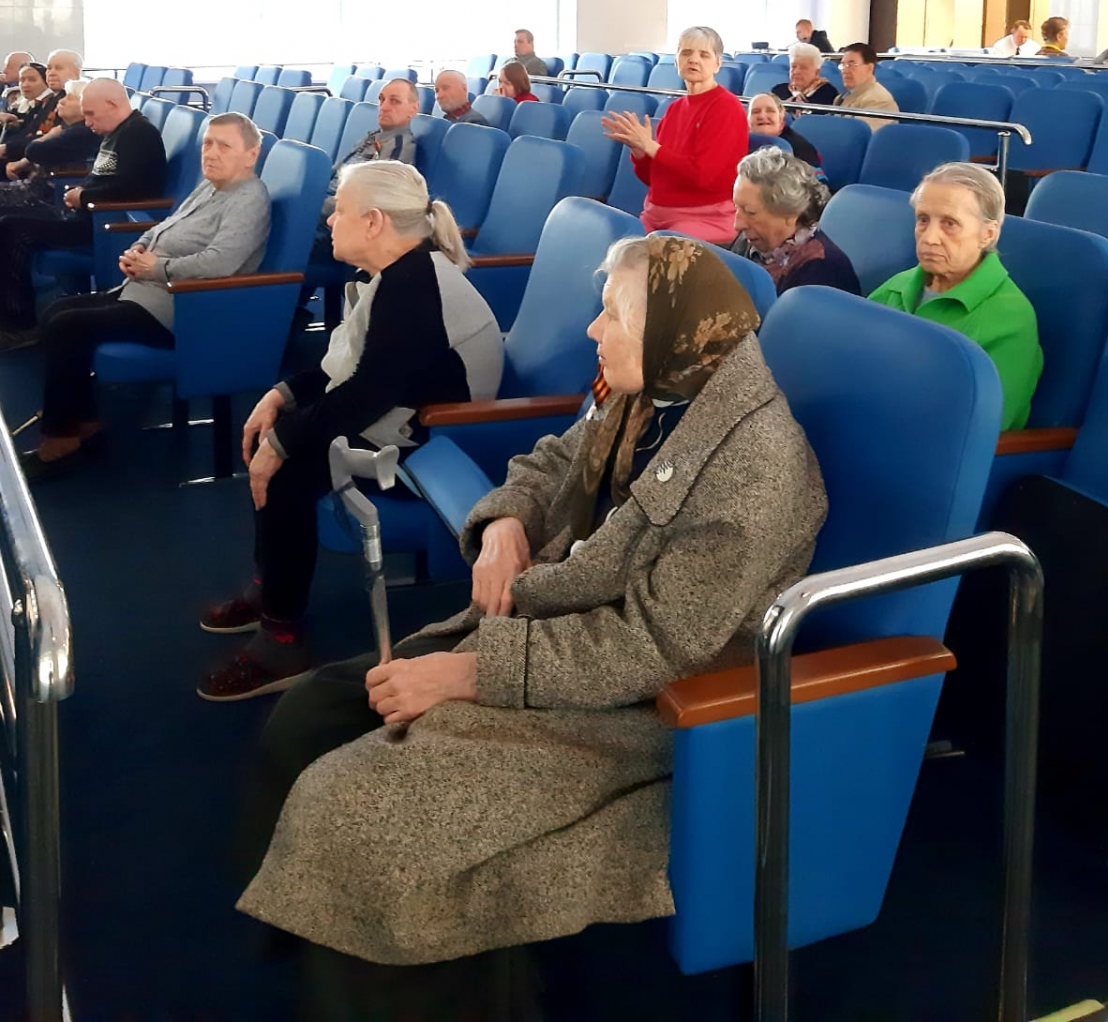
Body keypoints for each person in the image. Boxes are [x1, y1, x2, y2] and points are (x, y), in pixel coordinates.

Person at [234, 233, 827, 1016]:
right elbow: (551, 460)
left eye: (612, 315)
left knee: (362, 808)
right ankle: (314, 926)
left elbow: (654, 646)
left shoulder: (756, 466)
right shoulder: (656, 387)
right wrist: (506, 521)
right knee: (308, 714)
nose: (593, 329)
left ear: (670, 328)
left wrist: (471, 673)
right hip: (557, 641)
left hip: (651, 708)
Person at [199, 161, 504, 701]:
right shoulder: (396, 275)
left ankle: (283, 639)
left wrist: (281, 442)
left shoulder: (415, 289)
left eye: (339, 210)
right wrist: (281, 395)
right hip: (403, 420)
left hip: (435, 451)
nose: (329, 220)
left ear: (374, 222)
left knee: (288, 468)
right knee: (284, 440)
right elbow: (351, 370)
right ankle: (271, 584)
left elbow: (365, 393)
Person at [18, 112, 271, 480]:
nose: (211, 153)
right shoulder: (211, 186)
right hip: (148, 292)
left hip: (188, 309)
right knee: (57, 311)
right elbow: (165, 226)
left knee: (68, 326)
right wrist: (138, 248)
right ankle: (83, 422)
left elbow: (221, 263)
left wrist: (157, 268)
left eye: (224, 146)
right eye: (208, 144)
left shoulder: (249, 198)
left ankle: (60, 439)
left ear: (251, 154)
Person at [868, 162, 1042, 431]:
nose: (929, 238)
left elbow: (984, 427)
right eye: (923, 220)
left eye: (949, 224)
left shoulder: (1011, 317)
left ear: (988, 234)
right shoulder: (897, 285)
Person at [0, 78, 167, 339]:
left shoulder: (139, 134)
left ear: (112, 104)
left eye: (90, 114)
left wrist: (84, 195)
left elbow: (133, 188)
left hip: (102, 224)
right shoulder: (117, 131)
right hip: (84, 214)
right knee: (8, 219)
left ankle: (18, 324)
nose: (87, 123)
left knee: (12, 228)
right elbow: (105, 177)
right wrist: (80, 192)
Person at [601, 25, 747, 244]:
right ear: (677, 61)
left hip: (706, 218)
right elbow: (653, 178)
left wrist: (651, 146)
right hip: (656, 215)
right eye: (686, 53)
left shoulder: (726, 107)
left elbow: (703, 176)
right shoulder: (675, 108)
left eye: (704, 54)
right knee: (612, 247)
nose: (693, 59)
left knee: (648, 253)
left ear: (717, 64)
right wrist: (639, 151)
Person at [310, 78, 420, 266]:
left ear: (413, 109)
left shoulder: (398, 147)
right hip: (324, 210)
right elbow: (335, 173)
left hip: (337, 225)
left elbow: (368, 199)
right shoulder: (373, 137)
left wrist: (311, 208)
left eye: (394, 101)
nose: (384, 107)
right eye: (381, 100)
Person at [731, 147, 858, 296]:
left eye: (751, 212)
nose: (737, 224)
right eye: (736, 208)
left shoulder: (821, 268)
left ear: (791, 213)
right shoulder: (749, 240)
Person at [1, 78, 96, 200]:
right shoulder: (70, 129)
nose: (61, 101)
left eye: (70, 98)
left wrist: (50, 135)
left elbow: (33, 151)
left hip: (42, 197)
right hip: (36, 188)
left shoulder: (81, 132)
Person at [747, 92, 823, 170]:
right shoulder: (741, 142)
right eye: (755, 112)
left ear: (781, 119)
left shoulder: (801, 149)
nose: (762, 116)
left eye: (770, 111)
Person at [834, 43, 898, 132]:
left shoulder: (879, 100)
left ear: (869, 68)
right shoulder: (843, 96)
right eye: (843, 65)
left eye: (851, 65)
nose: (844, 70)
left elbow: (857, 134)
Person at [0, 63, 54, 167]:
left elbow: (39, 137)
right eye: (22, 80)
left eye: (32, 80)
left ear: (46, 81)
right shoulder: (19, 105)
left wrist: (7, 147)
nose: (25, 84)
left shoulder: (49, 105)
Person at [772, 42, 838, 107]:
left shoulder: (828, 93)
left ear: (816, 72)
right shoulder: (778, 90)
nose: (796, 72)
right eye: (793, 66)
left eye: (803, 68)